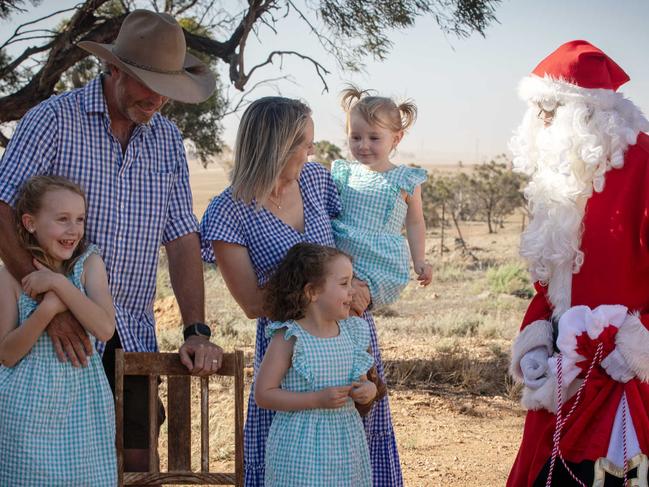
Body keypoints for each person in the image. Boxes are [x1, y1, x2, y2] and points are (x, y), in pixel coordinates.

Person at [0, 9, 224, 475]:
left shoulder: (165, 140)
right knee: (49, 464)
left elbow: (182, 235)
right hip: (49, 333)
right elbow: (2, 209)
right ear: (115, 69)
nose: (158, 99)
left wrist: (196, 330)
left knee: (138, 462)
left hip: (130, 330)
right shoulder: (53, 121)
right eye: (148, 83)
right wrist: (47, 300)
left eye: (168, 89)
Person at [200, 96, 404, 485]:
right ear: (277, 146)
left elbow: (354, 239)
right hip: (290, 343)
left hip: (347, 328)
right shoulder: (228, 212)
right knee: (293, 452)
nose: (312, 152)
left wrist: (360, 283)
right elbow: (251, 302)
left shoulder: (316, 180)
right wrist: (317, 294)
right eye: (305, 144)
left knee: (361, 431)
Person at [507, 40, 649, 486]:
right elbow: (552, 281)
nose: (540, 122)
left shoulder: (644, 165)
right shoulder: (562, 178)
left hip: (625, 376)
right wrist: (534, 341)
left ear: (590, 112)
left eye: (550, 109)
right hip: (564, 370)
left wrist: (639, 345)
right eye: (537, 110)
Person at [0, 176, 117, 485]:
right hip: (25, 410)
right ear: (30, 222)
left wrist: (59, 285)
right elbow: (7, 354)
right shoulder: (9, 278)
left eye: (79, 219)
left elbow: (105, 328)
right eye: (62, 219)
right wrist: (47, 310)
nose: (73, 230)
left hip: (83, 408)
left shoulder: (89, 266)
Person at [255, 242, 375, 486]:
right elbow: (263, 394)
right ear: (312, 292)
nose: (353, 291)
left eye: (352, 282)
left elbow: (364, 383)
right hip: (299, 447)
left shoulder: (353, 332)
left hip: (345, 445)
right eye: (344, 284)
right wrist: (315, 400)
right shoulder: (290, 337)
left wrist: (368, 392)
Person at [332, 86, 432, 308]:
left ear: (396, 138)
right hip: (341, 258)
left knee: (355, 308)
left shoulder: (405, 180)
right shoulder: (344, 173)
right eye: (355, 137)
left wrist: (419, 260)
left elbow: (415, 222)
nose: (363, 145)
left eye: (374, 138)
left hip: (379, 262)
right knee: (334, 307)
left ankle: (360, 342)